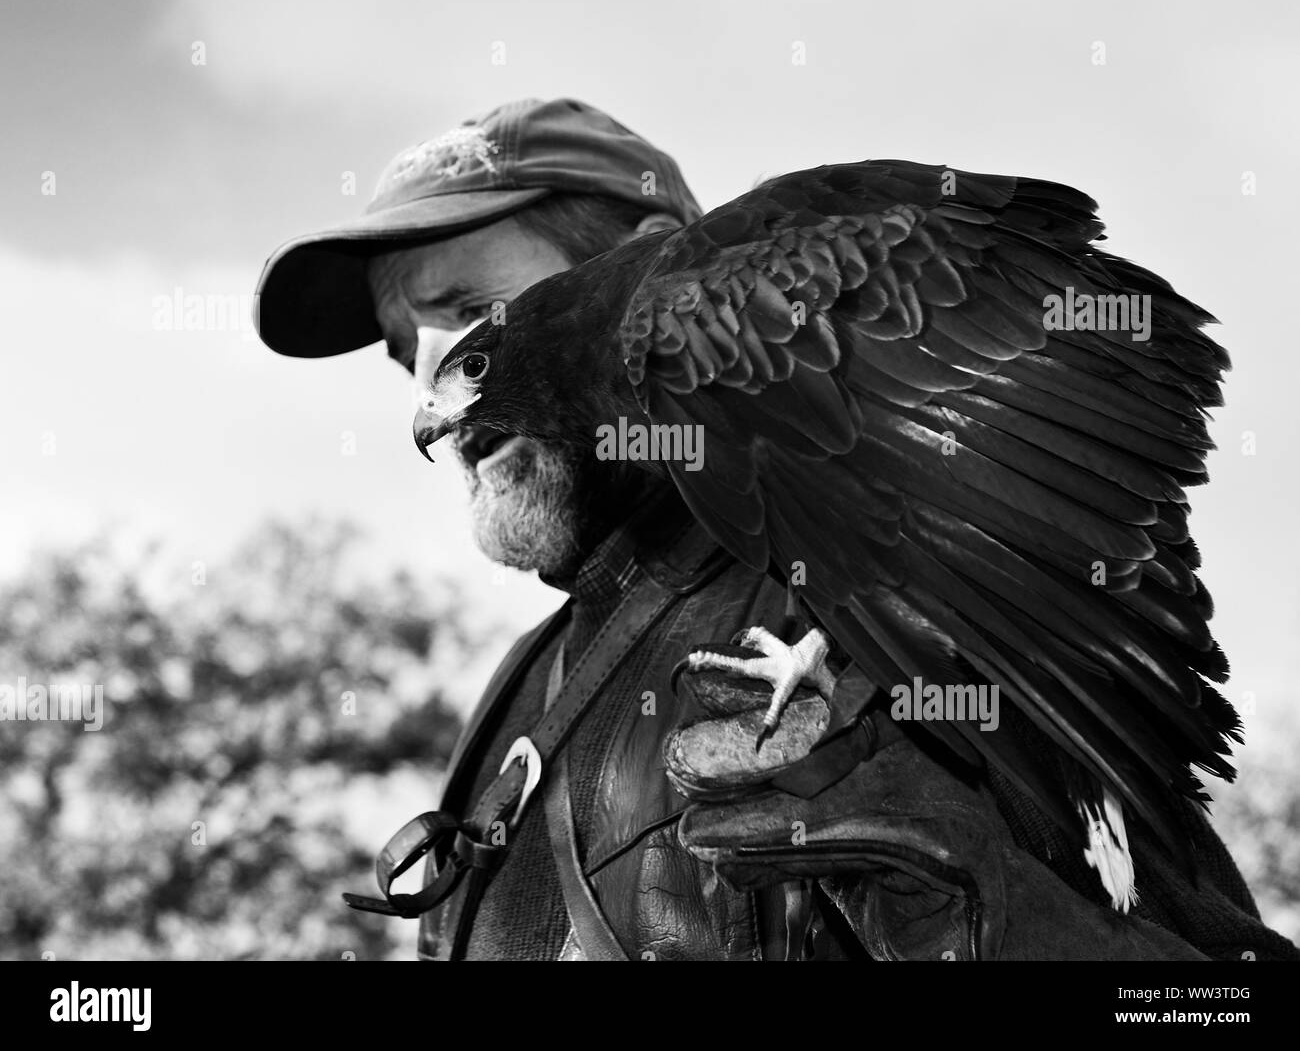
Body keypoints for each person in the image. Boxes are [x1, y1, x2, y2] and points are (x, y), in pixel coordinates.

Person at [255, 98, 1295, 961]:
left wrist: (1002, 924)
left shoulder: (848, 605)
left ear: (656, 267)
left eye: (472, 308)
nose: (428, 385)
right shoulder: (516, 707)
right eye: (406, 349)